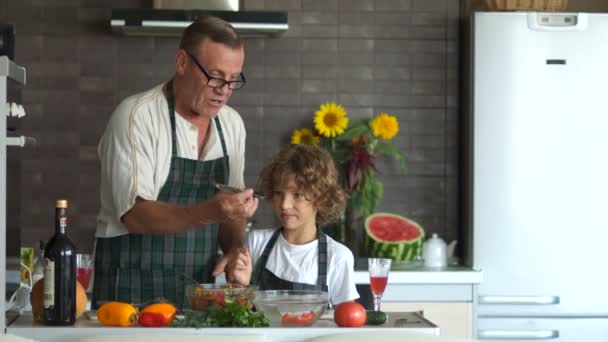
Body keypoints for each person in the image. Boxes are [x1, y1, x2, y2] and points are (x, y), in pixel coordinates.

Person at [93, 16, 258, 308]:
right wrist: (208, 212)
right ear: (182, 62)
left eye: (234, 80)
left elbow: (231, 211)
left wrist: (235, 247)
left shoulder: (232, 125)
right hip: (130, 291)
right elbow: (135, 215)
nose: (224, 90)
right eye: (216, 75)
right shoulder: (136, 117)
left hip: (198, 295)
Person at [229, 144, 359, 305]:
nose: (284, 204)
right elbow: (236, 315)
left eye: (298, 195)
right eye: (278, 193)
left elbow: (345, 319)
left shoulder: (338, 256)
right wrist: (241, 286)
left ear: (322, 197)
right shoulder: (256, 242)